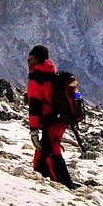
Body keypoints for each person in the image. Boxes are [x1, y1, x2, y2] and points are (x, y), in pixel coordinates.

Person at [26, 44, 77, 189]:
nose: (28, 61)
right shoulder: (51, 73)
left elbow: (35, 107)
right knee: (46, 146)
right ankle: (40, 174)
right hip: (60, 118)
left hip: (50, 120)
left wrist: (33, 130)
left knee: (51, 150)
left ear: (35, 59)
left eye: (30, 58)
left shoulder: (36, 77)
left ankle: (64, 184)